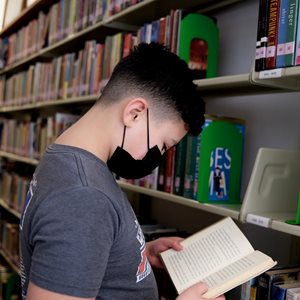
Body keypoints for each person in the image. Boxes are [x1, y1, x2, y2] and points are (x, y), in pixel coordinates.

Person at [19, 43, 225, 300]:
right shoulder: (83, 196)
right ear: (135, 113)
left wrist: (133, 256)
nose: (158, 158)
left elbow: (79, 252)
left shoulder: (67, 157)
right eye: (163, 145)